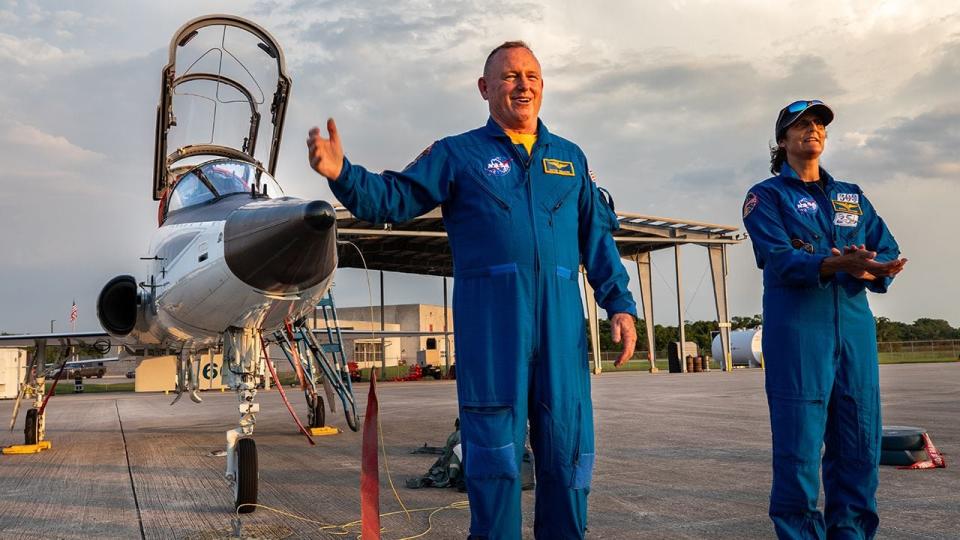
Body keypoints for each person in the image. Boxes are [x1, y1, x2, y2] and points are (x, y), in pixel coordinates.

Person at [307, 41, 637, 539]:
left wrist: (620, 303)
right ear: (485, 89)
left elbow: (596, 237)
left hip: (561, 335)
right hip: (492, 334)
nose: (522, 85)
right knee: (493, 459)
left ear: (542, 86)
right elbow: (394, 198)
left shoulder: (570, 158)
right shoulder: (458, 154)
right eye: (509, 76)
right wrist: (343, 175)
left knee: (568, 457)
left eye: (531, 75)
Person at [742, 100, 907, 539]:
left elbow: (885, 247)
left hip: (853, 332)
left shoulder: (850, 195)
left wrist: (872, 267)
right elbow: (780, 260)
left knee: (859, 445)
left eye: (818, 124)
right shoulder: (767, 196)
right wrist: (832, 264)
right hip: (798, 335)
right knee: (798, 450)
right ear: (783, 140)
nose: (811, 130)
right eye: (800, 125)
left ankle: (851, 534)